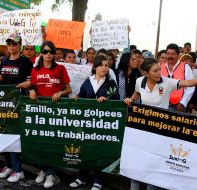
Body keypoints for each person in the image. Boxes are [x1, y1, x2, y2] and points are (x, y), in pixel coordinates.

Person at [124, 57, 197, 190]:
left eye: (160, 69)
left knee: (154, 166)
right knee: (137, 163)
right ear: (146, 73)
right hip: (142, 129)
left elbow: (188, 82)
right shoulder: (140, 81)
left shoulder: (168, 82)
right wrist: (130, 99)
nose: (159, 73)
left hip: (160, 131)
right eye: (155, 70)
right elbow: (136, 95)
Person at [69, 54, 119, 190]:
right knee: (84, 150)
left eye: (106, 66)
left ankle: (98, 180)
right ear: (95, 67)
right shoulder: (87, 81)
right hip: (87, 123)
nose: (104, 68)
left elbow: (117, 101)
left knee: (99, 151)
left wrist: (107, 100)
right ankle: (82, 177)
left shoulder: (111, 83)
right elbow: (82, 96)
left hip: (103, 124)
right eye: (101, 65)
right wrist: (76, 98)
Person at [29, 41, 71, 188]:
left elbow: (68, 89)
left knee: (51, 143)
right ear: (41, 53)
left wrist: (60, 92)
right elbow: (32, 86)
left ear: (54, 53)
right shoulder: (36, 69)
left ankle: (51, 174)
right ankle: (43, 169)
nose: (48, 54)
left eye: (50, 51)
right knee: (40, 142)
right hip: (39, 110)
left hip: (55, 111)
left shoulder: (60, 68)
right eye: (45, 51)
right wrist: (31, 91)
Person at [0, 32, 33, 182]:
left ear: (19, 45)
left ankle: (18, 170)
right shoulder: (4, 61)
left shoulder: (25, 62)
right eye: (9, 43)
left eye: (14, 43)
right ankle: (8, 165)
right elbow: (1, 76)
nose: (11, 46)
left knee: (13, 135)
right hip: (4, 102)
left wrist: (25, 85)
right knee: (4, 133)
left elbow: (30, 82)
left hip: (18, 102)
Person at [161, 43, 194, 112]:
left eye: (173, 54)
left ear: (178, 55)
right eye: (168, 53)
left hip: (178, 106)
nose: (170, 56)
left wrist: (183, 103)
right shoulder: (161, 66)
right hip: (162, 105)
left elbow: (191, 86)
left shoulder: (185, 67)